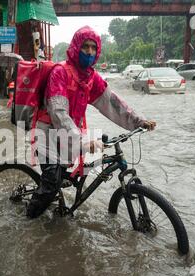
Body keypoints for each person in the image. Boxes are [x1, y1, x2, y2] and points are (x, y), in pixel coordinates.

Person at [26, 26, 156, 219]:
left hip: (70, 134)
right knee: (52, 183)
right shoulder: (60, 72)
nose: (89, 51)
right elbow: (58, 113)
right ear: (76, 47)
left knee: (64, 176)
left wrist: (139, 121)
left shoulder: (91, 78)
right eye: (85, 46)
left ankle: (59, 206)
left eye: (93, 48)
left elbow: (111, 102)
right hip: (48, 134)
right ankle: (28, 218)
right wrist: (82, 141)